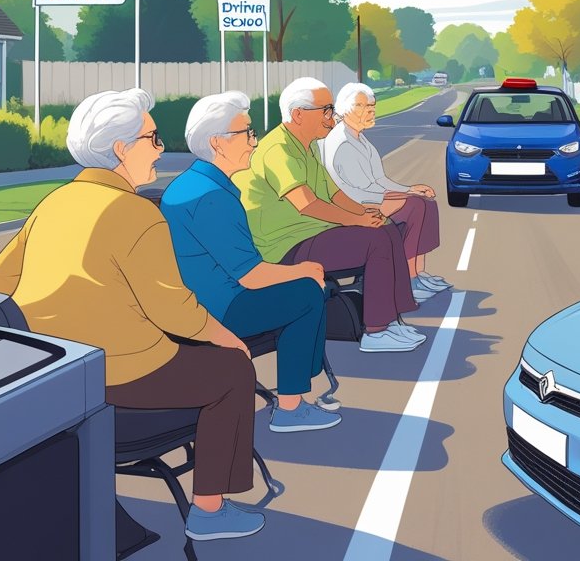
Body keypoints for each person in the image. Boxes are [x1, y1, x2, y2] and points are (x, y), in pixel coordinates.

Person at [0, 89, 265, 542]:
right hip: (123, 374)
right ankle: (210, 511)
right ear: (121, 149)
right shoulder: (136, 214)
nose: (160, 150)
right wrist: (225, 336)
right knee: (232, 367)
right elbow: (175, 310)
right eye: (152, 139)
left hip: (55, 370)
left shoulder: (53, 204)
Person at [161, 91, 341, 433]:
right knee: (307, 295)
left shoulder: (189, 184)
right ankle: (291, 406)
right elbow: (251, 276)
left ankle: (302, 381)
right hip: (220, 308)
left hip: (197, 299)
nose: (254, 143)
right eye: (247, 134)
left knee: (305, 287)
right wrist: (303, 271)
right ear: (217, 142)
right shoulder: (212, 197)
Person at [236, 77, 424, 353]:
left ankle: (392, 319)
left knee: (387, 230)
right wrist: (357, 221)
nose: (331, 117)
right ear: (298, 114)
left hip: (310, 232)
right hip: (284, 246)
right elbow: (306, 204)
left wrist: (365, 212)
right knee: (375, 242)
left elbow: (333, 193)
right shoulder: (278, 149)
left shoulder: (308, 145)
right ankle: (375, 331)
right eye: (325, 110)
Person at [323, 82, 451, 298]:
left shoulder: (360, 139)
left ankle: (418, 272)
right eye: (362, 106)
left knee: (425, 202)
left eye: (372, 105)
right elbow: (355, 191)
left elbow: (380, 180)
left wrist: (410, 189)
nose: (370, 110)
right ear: (345, 109)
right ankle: (409, 279)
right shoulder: (342, 142)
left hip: (368, 197)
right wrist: (402, 196)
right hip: (355, 204)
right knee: (415, 207)